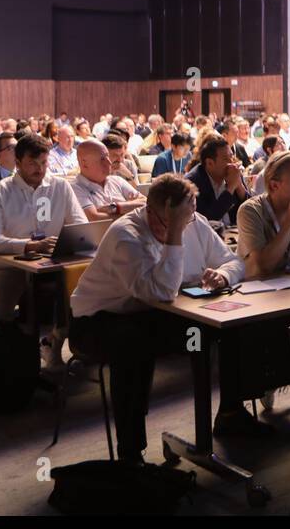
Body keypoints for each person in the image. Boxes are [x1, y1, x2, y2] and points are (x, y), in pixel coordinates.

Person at [68, 174, 256, 461]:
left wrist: (223, 275)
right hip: (98, 320)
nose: (189, 223)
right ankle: (131, 451)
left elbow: (234, 261)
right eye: (179, 219)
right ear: (153, 213)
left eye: (189, 216)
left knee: (229, 329)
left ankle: (230, 413)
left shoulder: (193, 220)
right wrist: (175, 234)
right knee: (131, 345)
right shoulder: (126, 236)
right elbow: (161, 292)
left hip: (156, 313)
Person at [0, 133, 87, 362]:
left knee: (86, 297)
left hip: (53, 265)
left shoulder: (60, 187)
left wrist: (68, 241)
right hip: (5, 267)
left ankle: (53, 343)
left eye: (44, 163)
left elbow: (81, 226)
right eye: (32, 163)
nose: (40, 169)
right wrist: (28, 246)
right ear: (17, 163)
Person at [72, 140, 145, 221]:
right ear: (84, 163)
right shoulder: (75, 188)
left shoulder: (117, 180)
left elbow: (145, 203)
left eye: (108, 156)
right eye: (103, 159)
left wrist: (116, 208)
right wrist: (132, 210)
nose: (109, 162)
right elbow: (94, 218)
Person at [185, 136, 248, 224]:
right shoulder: (192, 183)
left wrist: (239, 186)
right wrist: (231, 188)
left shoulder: (233, 173)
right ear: (210, 163)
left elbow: (251, 210)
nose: (232, 162)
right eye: (226, 159)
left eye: (232, 157)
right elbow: (207, 219)